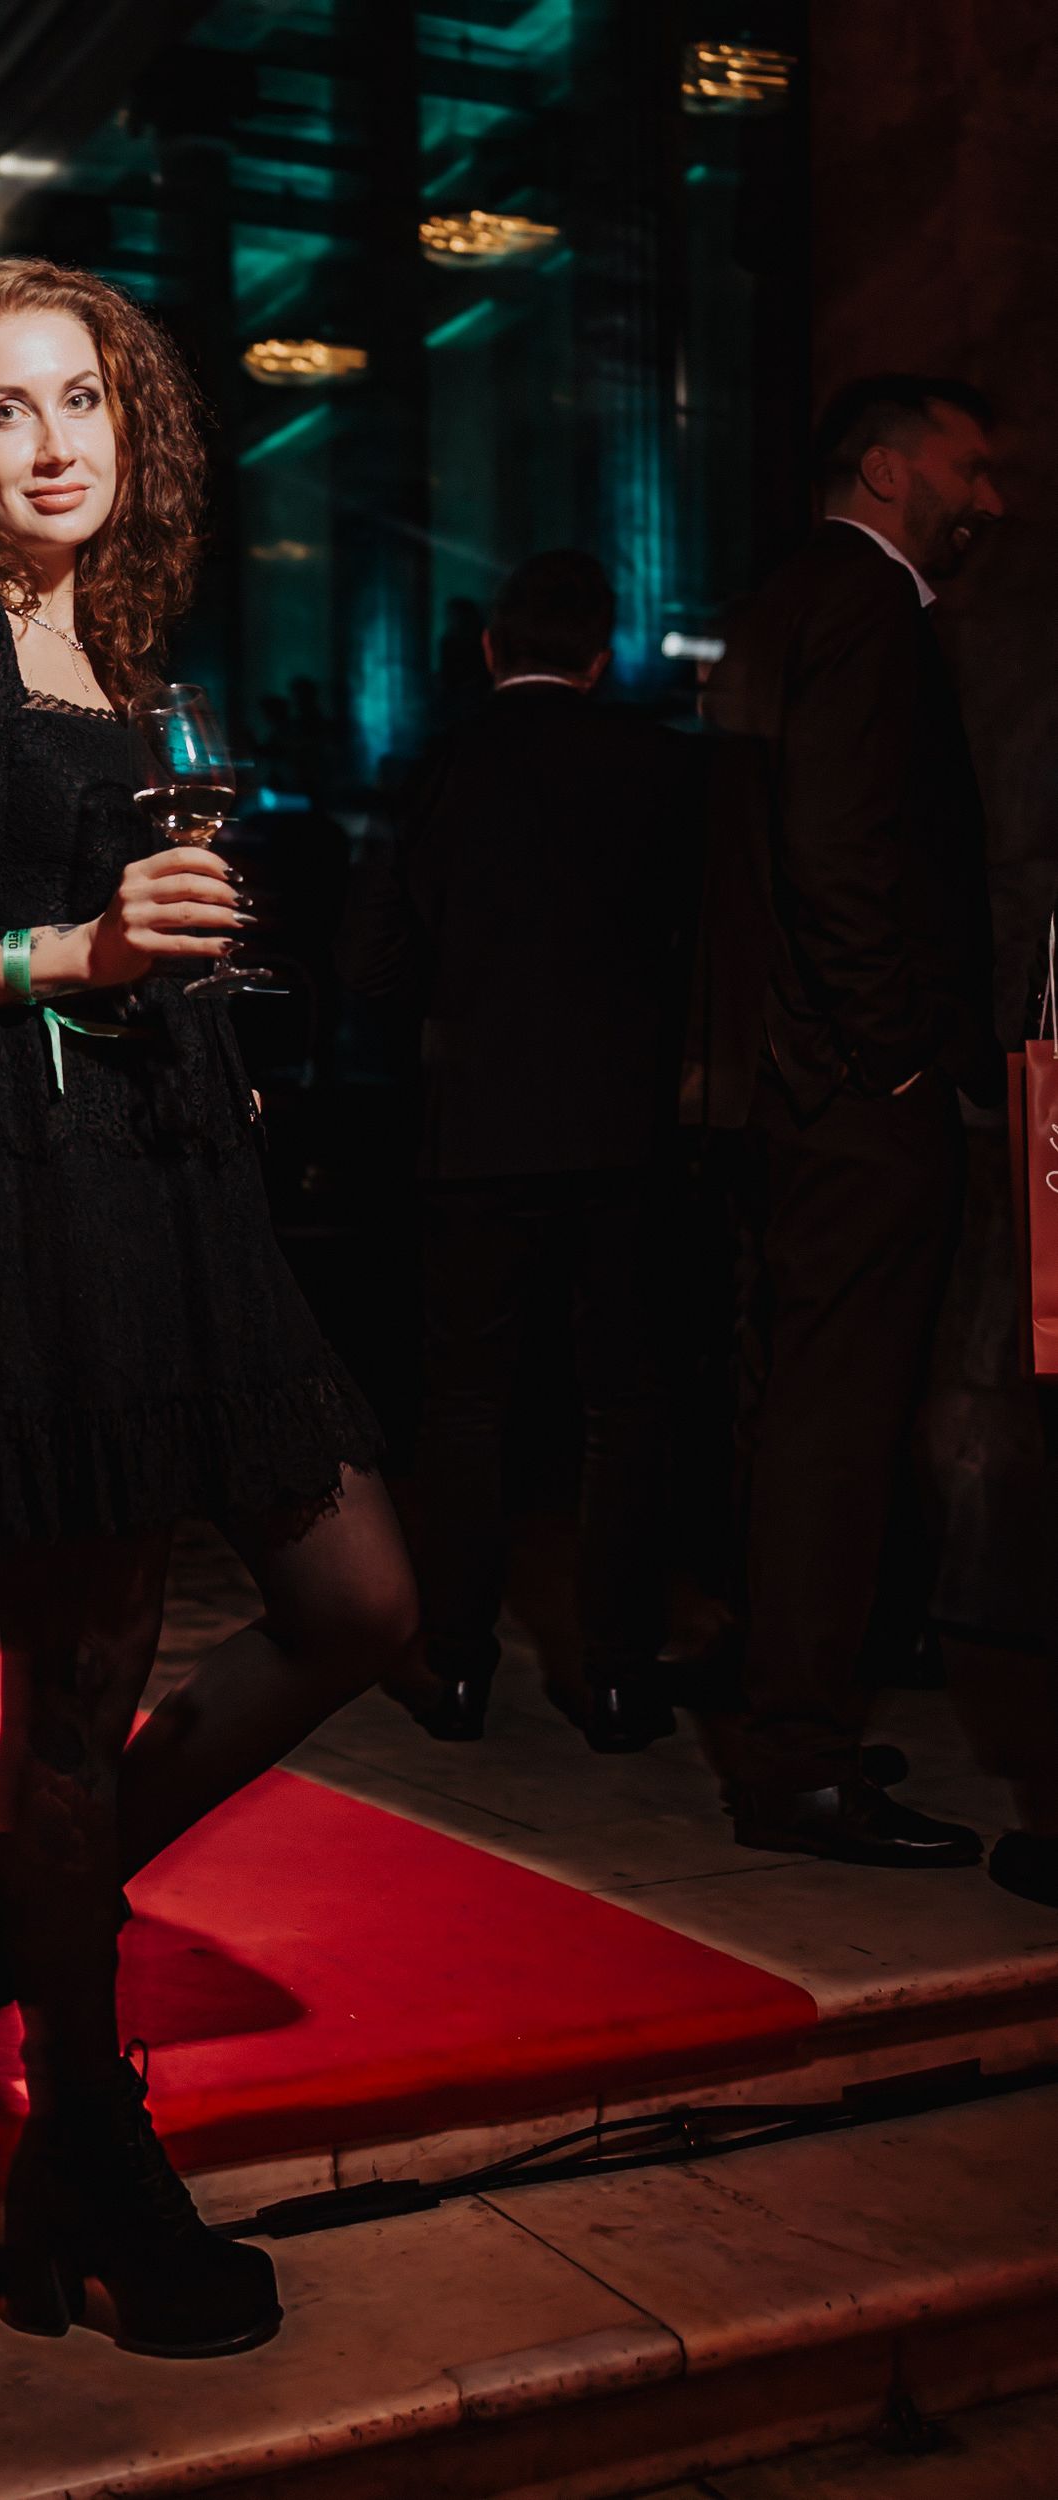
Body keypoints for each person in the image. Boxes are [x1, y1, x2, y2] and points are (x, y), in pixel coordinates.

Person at [0, 257, 417, 2362]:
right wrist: (75, 956)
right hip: (49, 1195)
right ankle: (85, 2150)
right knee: (72, 1679)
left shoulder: (112, 640)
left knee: (359, 1603)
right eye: (0, 410)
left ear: (134, 422)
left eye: (82, 400)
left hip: (182, 1172)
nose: (51, 444)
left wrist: (170, 967)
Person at [698, 373, 1005, 1867]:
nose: (987, 498)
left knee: (789, 1413)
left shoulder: (778, 601)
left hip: (773, 1090)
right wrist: (890, 1059)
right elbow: (835, 853)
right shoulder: (868, 606)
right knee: (836, 1425)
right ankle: (800, 1763)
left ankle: (789, 1720)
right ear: (884, 471)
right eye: (966, 467)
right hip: (845, 1094)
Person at [338, 551, 701, 1749]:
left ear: (491, 647)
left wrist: (453, 1023)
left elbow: (370, 966)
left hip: (474, 1130)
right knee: (624, 1404)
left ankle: (455, 1670)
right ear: (600, 654)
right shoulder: (661, 764)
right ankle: (616, 1677)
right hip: (621, 1127)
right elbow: (698, 946)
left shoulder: (433, 768)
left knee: (465, 1404)